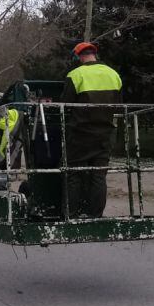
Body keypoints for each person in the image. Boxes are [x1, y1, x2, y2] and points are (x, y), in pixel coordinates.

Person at [60, 41, 122, 217]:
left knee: (73, 174)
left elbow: (65, 104)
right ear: (94, 54)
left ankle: (70, 215)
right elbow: (118, 106)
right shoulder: (113, 74)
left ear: (79, 56)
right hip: (105, 134)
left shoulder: (75, 74)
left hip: (80, 134)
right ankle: (95, 215)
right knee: (98, 176)